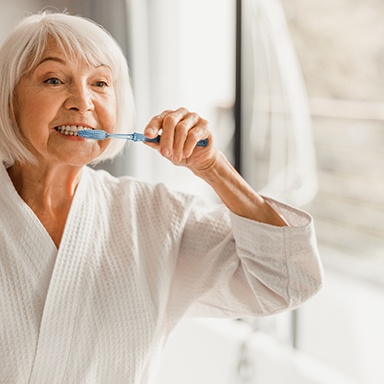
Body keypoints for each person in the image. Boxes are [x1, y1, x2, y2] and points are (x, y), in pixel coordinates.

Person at [0, 11, 323, 384]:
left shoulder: (155, 215)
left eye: (101, 83)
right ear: (9, 99)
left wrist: (212, 167)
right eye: (54, 79)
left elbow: (288, 280)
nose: (83, 101)